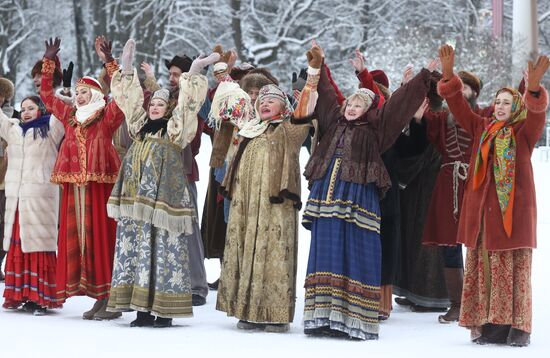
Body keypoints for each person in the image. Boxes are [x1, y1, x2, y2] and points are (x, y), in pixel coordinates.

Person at [301, 43, 431, 340]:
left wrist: (424, 76)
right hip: (327, 198)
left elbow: (398, 106)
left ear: (369, 110)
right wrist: (319, 65)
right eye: (350, 104)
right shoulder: (334, 121)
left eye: (358, 105)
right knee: (326, 252)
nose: (351, 108)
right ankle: (323, 315)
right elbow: (328, 92)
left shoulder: (376, 130)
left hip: (357, 201)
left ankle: (353, 316)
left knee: (354, 252)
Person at [437, 44, 549, 347]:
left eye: (506, 103)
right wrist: (449, 79)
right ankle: (488, 324)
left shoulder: (523, 132)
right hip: (482, 219)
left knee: (513, 272)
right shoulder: (481, 128)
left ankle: (517, 328)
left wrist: (535, 88)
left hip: (512, 218)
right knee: (484, 270)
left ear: (515, 107)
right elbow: (459, 106)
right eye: (497, 102)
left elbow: (537, 114)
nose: (500, 107)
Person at [106, 39, 218, 328]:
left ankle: (163, 311)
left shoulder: (173, 132)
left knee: (163, 252)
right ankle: (141, 309)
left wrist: (193, 71)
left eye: (160, 104)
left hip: (163, 202)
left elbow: (188, 107)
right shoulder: (140, 129)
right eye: (152, 104)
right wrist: (127, 67)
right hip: (138, 204)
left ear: (166, 109)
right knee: (139, 252)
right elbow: (130, 104)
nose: (155, 107)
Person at [212, 49, 313, 334]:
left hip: (275, 205)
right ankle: (247, 310)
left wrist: (310, 82)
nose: (265, 104)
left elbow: (304, 114)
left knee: (273, 254)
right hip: (246, 205)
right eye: (263, 100)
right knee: (247, 253)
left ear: (282, 106)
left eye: (272, 100)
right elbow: (225, 102)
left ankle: (276, 314)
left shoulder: (288, 130)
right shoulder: (249, 129)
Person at [39, 37, 124, 320]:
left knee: (102, 239)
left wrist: (109, 61)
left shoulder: (107, 117)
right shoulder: (71, 117)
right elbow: (48, 97)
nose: (78, 97)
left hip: (100, 188)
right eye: (77, 92)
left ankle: (110, 297)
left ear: (97, 95)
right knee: (83, 241)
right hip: (76, 188)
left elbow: (123, 94)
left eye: (84, 92)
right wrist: (49, 62)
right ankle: (98, 296)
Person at [413, 70, 489, 323]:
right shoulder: (443, 118)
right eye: (456, 89)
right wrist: (419, 118)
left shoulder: (485, 114)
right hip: (448, 185)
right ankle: (457, 304)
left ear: (474, 93)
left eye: (464, 89)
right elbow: (427, 113)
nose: (459, 93)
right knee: (449, 245)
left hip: (476, 182)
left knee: (480, 244)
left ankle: (482, 303)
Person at [142, 53, 209, 306]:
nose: (171, 79)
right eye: (169, 74)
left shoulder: (194, 101)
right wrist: (149, 80)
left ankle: (196, 286)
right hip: (158, 174)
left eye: (176, 75)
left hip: (181, 171)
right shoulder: (169, 99)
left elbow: (192, 135)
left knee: (188, 228)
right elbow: (155, 105)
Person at [0, 95, 64, 314]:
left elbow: (62, 111)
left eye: (31, 108)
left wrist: (61, 91)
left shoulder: (51, 128)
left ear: (41, 110)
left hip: (40, 198)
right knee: (19, 246)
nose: (26, 112)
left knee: (39, 248)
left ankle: (40, 298)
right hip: (17, 198)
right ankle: (20, 294)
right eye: (23, 108)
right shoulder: (14, 130)